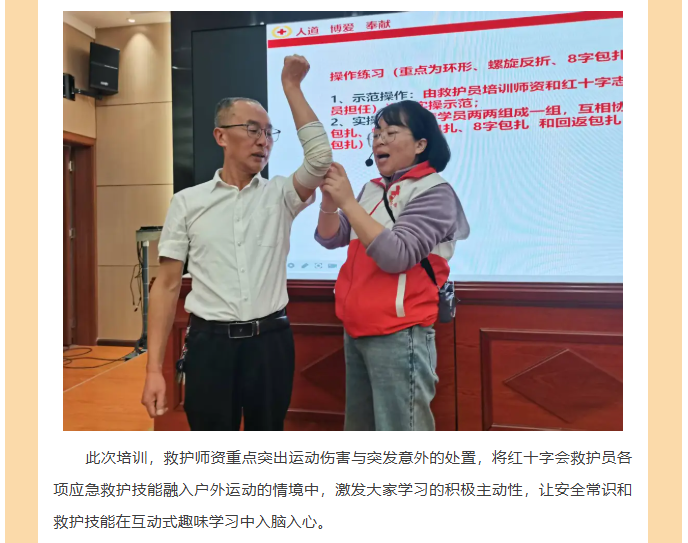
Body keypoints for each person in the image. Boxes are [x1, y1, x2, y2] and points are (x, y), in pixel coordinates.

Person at [141, 55, 333, 431]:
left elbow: (320, 158)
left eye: (269, 133)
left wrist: (291, 87)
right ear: (221, 136)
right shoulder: (187, 202)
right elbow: (166, 286)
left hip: (270, 343)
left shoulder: (281, 195)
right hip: (209, 345)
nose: (263, 141)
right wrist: (153, 370)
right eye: (252, 129)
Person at [315, 100, 469, 431]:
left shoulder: (434, 191)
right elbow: (330, 237)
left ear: (420, 145)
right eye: (376, 133)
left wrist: (347, 202)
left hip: (400, 333)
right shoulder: (371, 190)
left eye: (391, 132)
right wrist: (329, 202)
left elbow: (397, 256)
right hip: (356, 329)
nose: (379, 140)